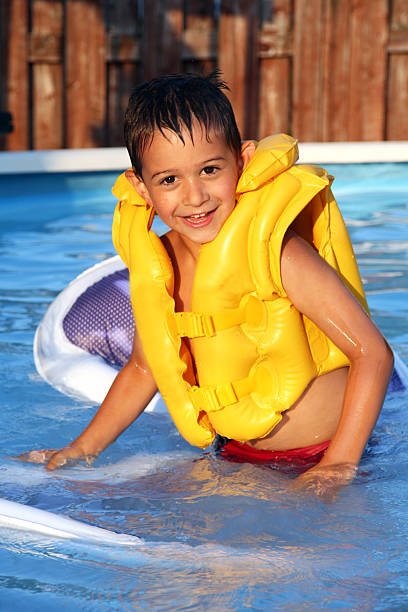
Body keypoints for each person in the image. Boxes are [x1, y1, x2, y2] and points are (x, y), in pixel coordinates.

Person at [22, 72, 393, 498]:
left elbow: (373, 353)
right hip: (236, 458)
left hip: (333, 454)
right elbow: (145, 368)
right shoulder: (161, 269)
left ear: (243, 160)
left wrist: (339, 464)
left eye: (210, 170)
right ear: (141, 187)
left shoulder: (277, 252)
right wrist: (82, 449)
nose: (194, 196)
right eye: (169, 180)